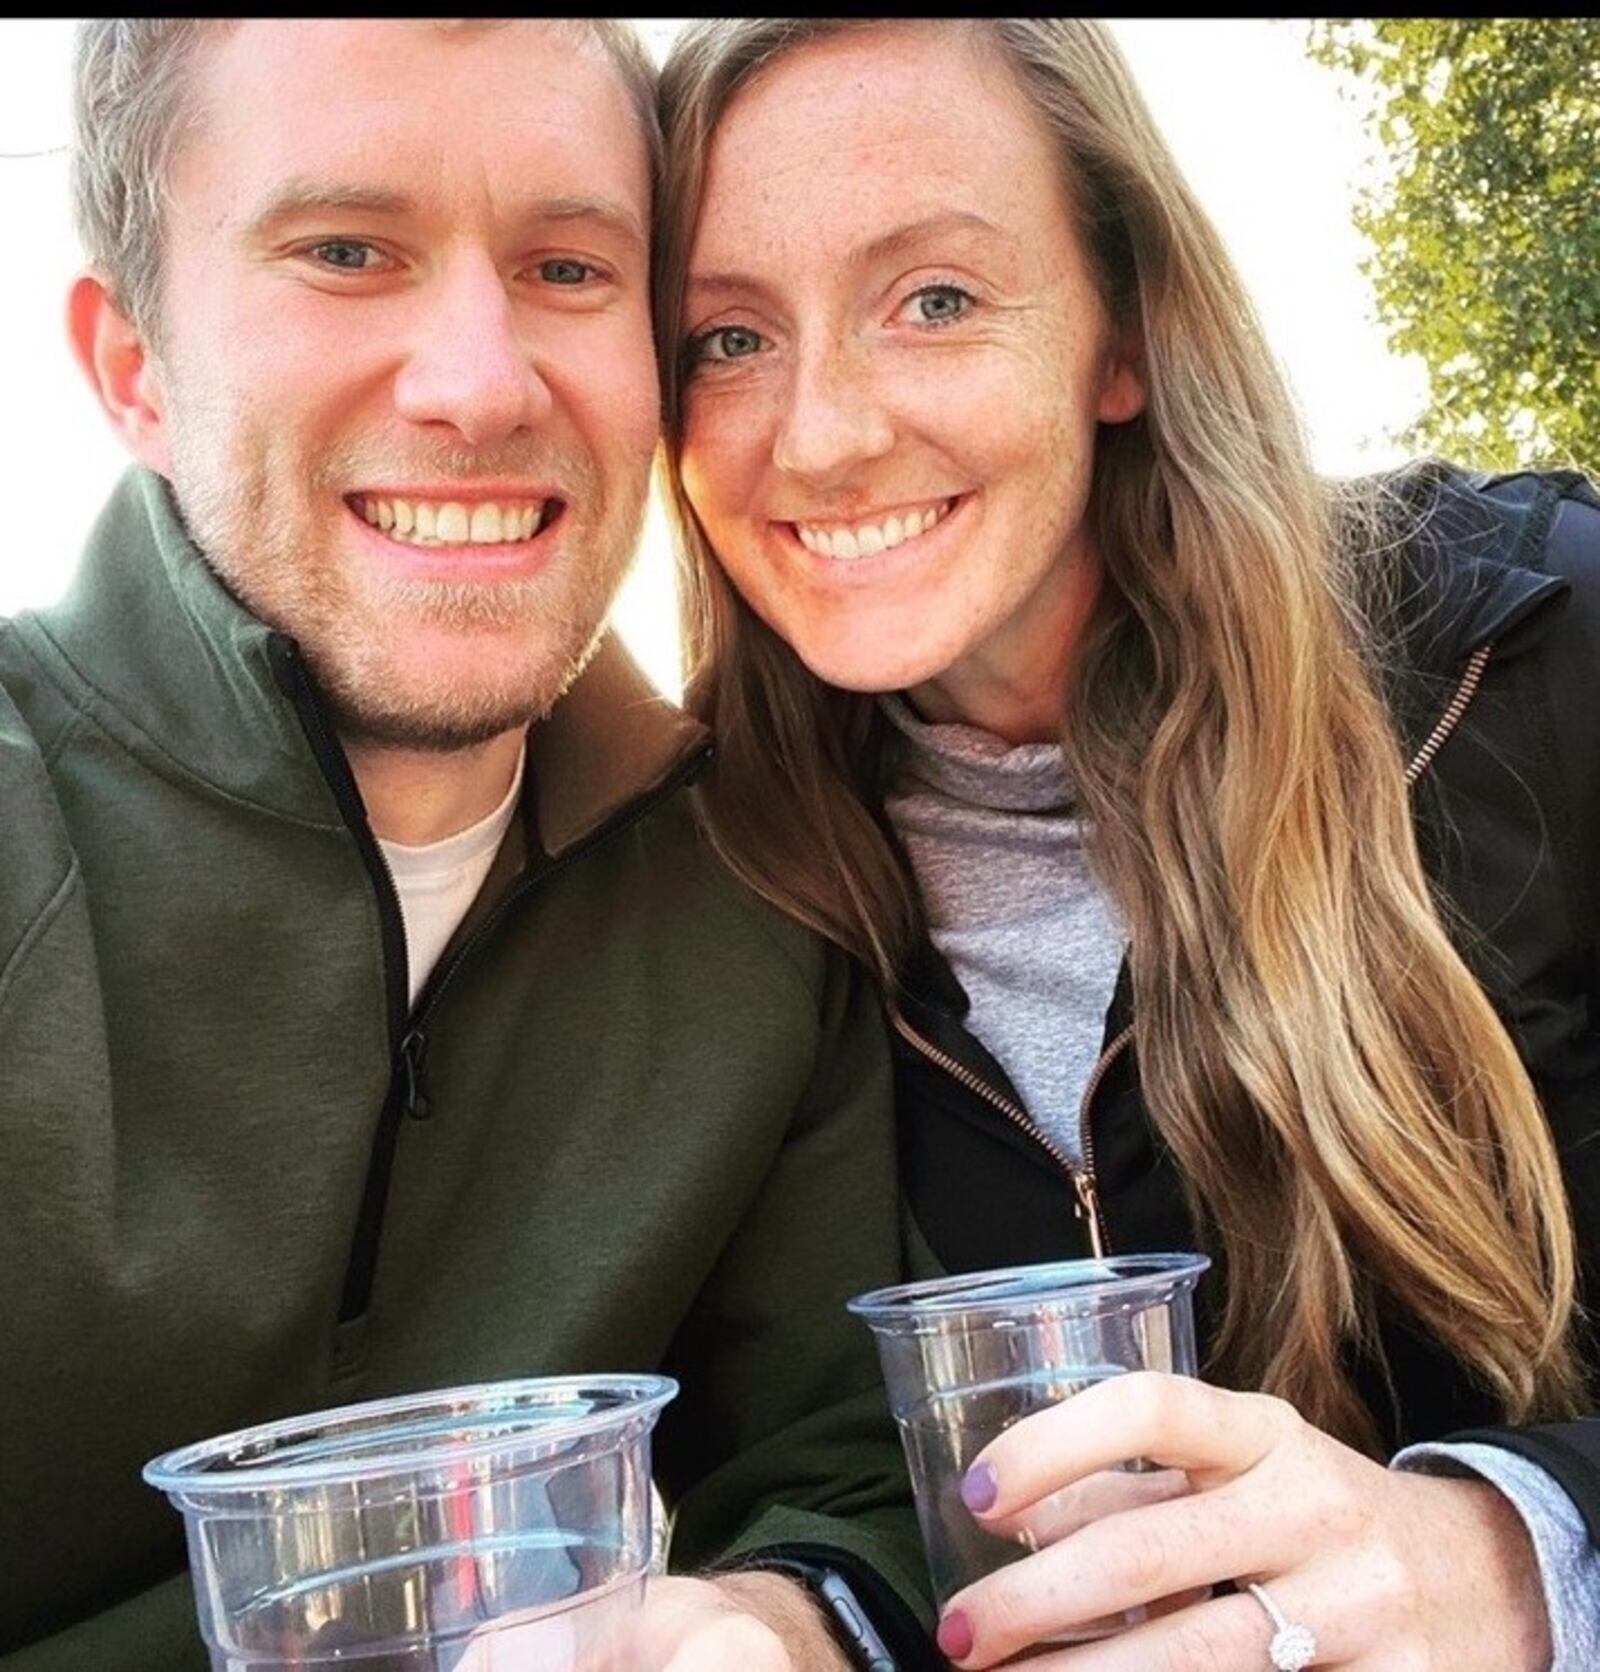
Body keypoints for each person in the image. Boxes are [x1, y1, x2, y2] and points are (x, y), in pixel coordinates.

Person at [656, 16, 1600, 1670]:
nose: (817, 436)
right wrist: (787, 1621)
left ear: (1125, 334)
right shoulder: (701, 888)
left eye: (933, 299)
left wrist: (1517, 1557)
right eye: (727, 339)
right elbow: (809, 1489)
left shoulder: (1529, 658)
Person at [0, 19, 939, 1671]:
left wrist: (769, 1628)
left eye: (570, 268)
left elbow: (852, 1479)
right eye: (346, 253)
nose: (481, 382)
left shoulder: (759, 892)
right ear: (132, 366)